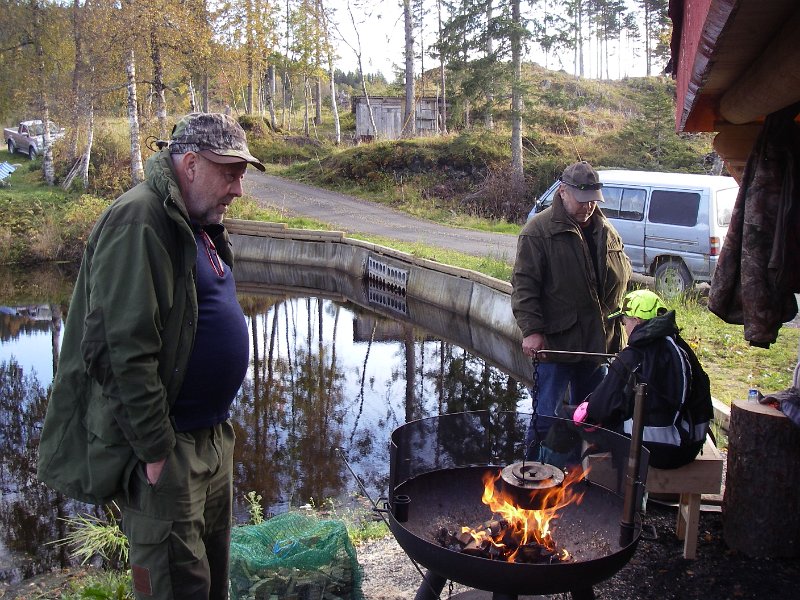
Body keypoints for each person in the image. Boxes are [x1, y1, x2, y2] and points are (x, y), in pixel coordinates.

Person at [37, 112, 265, 599]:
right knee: (174, 587)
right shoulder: (140, 219)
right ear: (189, 164)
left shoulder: (198, 218)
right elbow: (122, 350)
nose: (238, 189)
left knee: (209, 584)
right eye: (230, 172)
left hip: (209, 437)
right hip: (172, 447)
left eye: (242, 175)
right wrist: (155, 448)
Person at [511, 160, 631, 459]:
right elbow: (524, 286)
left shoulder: (608, 232)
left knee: (594, 415)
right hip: (557, 345)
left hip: (598, 345)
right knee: (546, 415)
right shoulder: (537, 231)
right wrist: (532, 331)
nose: (588, 207)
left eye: (593, 200)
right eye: (581, 199)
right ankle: (532, 471)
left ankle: (582, 477)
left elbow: (621, 280)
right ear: (563, 192)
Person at [572, 289, 714, 469]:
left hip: (649, 451)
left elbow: (600, 408)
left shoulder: (633, 356)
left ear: (637, 321)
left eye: (624, 322)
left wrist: (587, 407)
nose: (624, 327)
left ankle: (568, 477)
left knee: (573, 419)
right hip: (690, 446)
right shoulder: (682, 349)